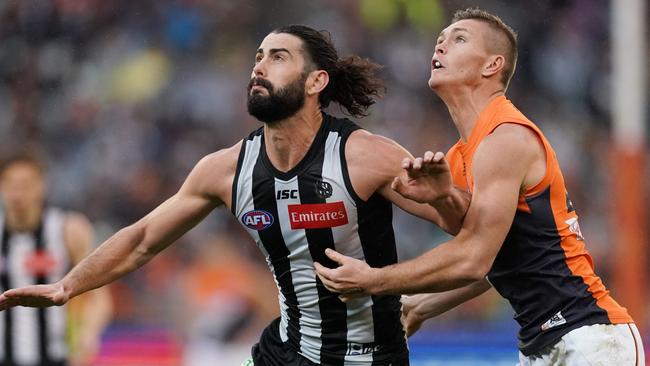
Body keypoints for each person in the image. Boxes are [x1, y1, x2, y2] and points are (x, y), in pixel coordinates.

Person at [0, 25, 470, 366]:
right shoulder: (226, 169)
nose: (259, 65)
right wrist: (67, 286)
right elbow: (142, 238)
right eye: (258, 56)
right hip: (282, 352)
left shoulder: (367, 157)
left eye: (278, 56)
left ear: (316, 81)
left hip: (369, 358)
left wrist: (445, 197)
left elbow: (473, 236)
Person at [314, 8, 646, 365]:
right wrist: (420, 305)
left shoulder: (506, 137)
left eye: (458, 39)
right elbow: (495, 261)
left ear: (492, 65)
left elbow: (474, 259)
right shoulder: (459, 158)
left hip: (589, 338)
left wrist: (374, 280)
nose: (440, 44)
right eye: (440, 39)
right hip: (547, 344)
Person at [0, 153, 113, 366]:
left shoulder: (68, 230)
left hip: (56, 358)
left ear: (41, 187)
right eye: (10, 185)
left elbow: (99, 297)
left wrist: (88, 335)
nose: (17, 194)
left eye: (25, 185)